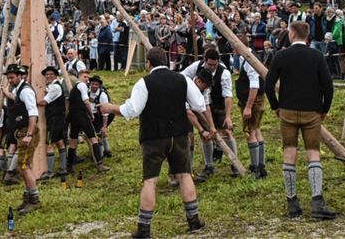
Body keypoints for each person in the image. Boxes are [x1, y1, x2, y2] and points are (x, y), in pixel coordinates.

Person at [100, 47, 206, 238]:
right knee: (184, 175)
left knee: (150, 180)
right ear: (165, 61)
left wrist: (110, 107)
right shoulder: (183, 79)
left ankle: (144, 229)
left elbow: (132, 110)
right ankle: (194, 221)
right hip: (179, 134)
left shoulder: (144, 82)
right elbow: (199, 104)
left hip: (153, 136)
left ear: (149, 63)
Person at [265, 21, 336, 221]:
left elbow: (268, 85)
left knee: (289, 152)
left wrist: (275, 106)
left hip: (287, 110)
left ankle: (292, 203)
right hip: (312, 111)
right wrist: (324, 109)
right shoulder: (317, 56)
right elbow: (328, 87)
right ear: (307, 35)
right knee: (313, 153)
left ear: (292, 34)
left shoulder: (281, 56)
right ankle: (317, 201)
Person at [181, 49, 238, 181]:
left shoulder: (224, 73)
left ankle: (234, 164)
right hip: (195, 104)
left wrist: (227, 117)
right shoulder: (195, 68)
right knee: (204, 136)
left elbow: (227, 96)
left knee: (226, 132)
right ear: (204, 61)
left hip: (218, 104)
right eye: (210, 64)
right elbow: (182, 76)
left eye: (215, 65)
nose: (212, 67)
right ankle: (208, 166)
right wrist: (205, 129)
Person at [1, 64, 43, 214]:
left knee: (23, 166)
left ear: (20, 76)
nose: (10, 80)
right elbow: (16, 98)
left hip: (27, 132)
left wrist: (29, 134)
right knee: (26, 165)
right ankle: (28, 196)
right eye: (8, 78)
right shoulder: (18, 90)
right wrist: (7, 93)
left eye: (12, 77)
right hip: (21, 131)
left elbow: (33, 113)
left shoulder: (26, 91)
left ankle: (34, 199)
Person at [235, 34, 267, 179]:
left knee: (250, 132)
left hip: (253, 100)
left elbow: (254, 85)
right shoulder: (248, 57)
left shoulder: (249, 60)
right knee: (256, 129)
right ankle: (261, 165)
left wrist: (248, 106)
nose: (233, 49)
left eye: (234, 46)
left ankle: (255, 169)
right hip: (257, 99)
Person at [67, 69, 109, 172]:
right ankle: (100, 164)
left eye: (88, 78)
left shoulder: (74, 88)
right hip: (81, 115)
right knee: (93, 138)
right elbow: (86, 102)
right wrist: (91, 114)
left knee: (73, 141)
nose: (87, 79)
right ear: (79, 76)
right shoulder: (82, 85)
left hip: (73, 116)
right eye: (85, 77)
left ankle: (69, 166)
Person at [37, 65, 68, 180]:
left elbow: (44, 102)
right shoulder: (52, 87)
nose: (48, 76)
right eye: (47, 74)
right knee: (59, 141)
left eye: (51, 74)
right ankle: (63, 168)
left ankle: (49, 171)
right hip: (58, 118)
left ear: (55, 75)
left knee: (49, 143)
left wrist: (31, 102)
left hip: (54, 118)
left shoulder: (55, 87)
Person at [89, 75, 114, 158]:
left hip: (104, 115)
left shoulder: (102, 95)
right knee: (98, 132)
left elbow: (105, 113)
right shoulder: (87, 92)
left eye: (96, 84)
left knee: (99, 132)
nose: (94, 86)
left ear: (99, 85)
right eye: (92, 83)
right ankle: (107, 150)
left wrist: (104, 126)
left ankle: (100, 154)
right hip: (93, 115)